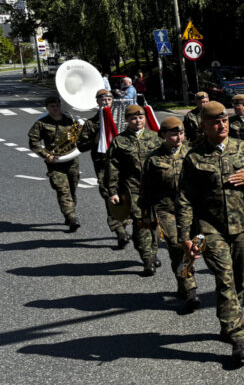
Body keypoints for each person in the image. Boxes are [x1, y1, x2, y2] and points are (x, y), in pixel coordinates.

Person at [178, 102, 244, 362]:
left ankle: (227, 321)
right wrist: (186, 236)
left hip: (243, 227)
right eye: (215, 121)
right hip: (208, 229)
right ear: (203, 125)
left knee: (237, 280)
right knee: (225, 278)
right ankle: (239, 337)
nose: (222, 125)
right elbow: (184, 199)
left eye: (225, 120)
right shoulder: (194, 158)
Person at [141, 116, 199, 310]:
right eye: (174, 134)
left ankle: (183, 283)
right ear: (163, 135)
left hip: (191, 208)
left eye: (181, 133)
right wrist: (145, 213)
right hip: (167, 210)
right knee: (178, 247)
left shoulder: (192, 154)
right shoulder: (154, 158)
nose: (178, 137)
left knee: (194, 249)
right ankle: (190, 289)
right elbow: (146, 188)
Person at [104, 104, 162, 275]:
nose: (138, 121)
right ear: (127, 120)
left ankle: (152, 252)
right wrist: (112, 192)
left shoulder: (155, 138)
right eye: (134, 118)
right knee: (141, 225)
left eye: (141, 117)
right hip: (133, 190)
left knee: (156, 226)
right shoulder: (119, 141)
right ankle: (147, 259)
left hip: (156, 190)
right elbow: (112, 168)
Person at [78, 88, 128, 245]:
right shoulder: (91, 123)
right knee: (110, 196)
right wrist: (97, 137)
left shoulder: (122, 120)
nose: (106, 102)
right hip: (104, 166)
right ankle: (120, 230)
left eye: (109, 99)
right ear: (97, 102)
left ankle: (127, 224)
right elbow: (81, 146)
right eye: (102, 100)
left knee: (128, 195)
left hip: (125, 164)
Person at [27, 95, 82, 232]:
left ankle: (69, 212)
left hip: (71, 161)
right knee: (62, 189)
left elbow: (80, 137)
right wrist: (46, 155)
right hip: (55, 163)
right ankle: (71, 216)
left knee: (72, 189)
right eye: (52, 106)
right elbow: (33, 142)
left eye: (57, 105)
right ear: (47, 108)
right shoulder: (41, 123)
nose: (56, 108)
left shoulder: (70, 120)